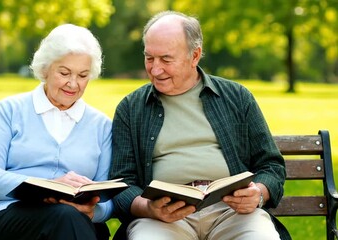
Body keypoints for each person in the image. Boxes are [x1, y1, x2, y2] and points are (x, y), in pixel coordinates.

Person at [109, 11, 290, 240]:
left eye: (166, 59)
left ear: (194, 56)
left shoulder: (237, 97)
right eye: (149, 58)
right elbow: (123, 182)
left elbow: (271, 165)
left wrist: (258, 194)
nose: (155, 69)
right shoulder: (131, 108)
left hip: (231, 213)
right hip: (162, 219)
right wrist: (149, 208)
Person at [0, 24, 112, 240]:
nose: (73, 84)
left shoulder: (101, 125)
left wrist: (93, 211)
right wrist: (49, 187)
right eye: (64, 72)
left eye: (83, 75)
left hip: (75, 219)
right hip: (8, 215)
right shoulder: (10, 110)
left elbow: (107, 199)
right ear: (45, 69)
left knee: (72, 219)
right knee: (68, 220)